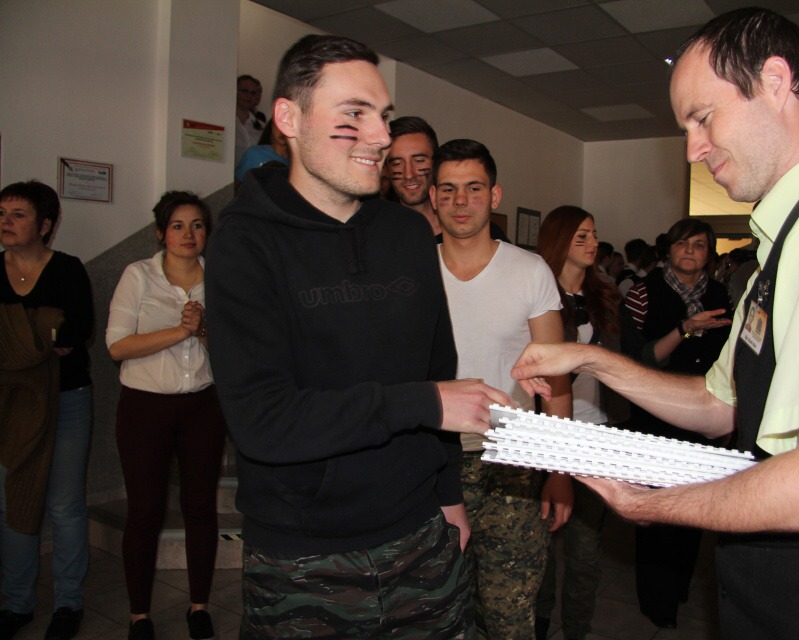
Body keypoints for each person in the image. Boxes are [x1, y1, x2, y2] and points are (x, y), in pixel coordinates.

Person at [510, 7, 799, 639]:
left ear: (774, 81)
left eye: (703, 117)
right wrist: (590, 359)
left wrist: (651, 502)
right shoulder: (787, 243)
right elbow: (720, 404)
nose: (693, 149)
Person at [204, 35, 511, 639]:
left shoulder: (407, 235)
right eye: (354, 115)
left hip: (422, 532)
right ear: (289, 119)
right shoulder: (244, 243)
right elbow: (262, 419)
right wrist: (423, 403)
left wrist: (448, 494)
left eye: (384, 116)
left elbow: (437, 369)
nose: (380, 136)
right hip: (303, 553)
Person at [432, 139, 573, 639]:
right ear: (433, 196)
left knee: (508, 614)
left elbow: (556, 379)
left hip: (510, 465)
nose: (460, 201)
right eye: (448, 189)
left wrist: (559, 471)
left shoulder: (529, 272)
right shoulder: (414, 271)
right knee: (439, 608)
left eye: (474, 188)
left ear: (494, 196)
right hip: (433, 459)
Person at [106, 191, 226, 640]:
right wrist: (180, 330)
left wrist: (203, 329)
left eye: (197, 225)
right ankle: (140, 614)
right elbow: (117, 346)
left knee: (200, 507)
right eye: (177, 225)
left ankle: (199, 606)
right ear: (160, 233)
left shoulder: (221, 278)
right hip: (145, 408)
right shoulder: (138, 275)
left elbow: (233, 353)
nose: (188, 234)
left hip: (203, 406)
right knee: (145, 511)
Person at [621, 218, 731, 629]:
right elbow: (638, 359)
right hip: (656, 415)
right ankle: (657, 602)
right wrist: (686, 329)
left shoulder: (720, 294)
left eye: (699, 245)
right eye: (683, 244)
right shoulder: (642, 292)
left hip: (704, 418)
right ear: (667, 250)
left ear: (709, 254)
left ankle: (680, 584)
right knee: (656, 511)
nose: (690, 251)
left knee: (695, 508)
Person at [0, 181, 93, 640]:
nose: (6, 222)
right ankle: (16, 604)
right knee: (14, 502)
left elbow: (77, 331)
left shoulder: (68, 269)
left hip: (67, 398)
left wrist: (17, 335)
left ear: (45, 225)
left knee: (63, 504)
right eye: (2, 214)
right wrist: (41, 333)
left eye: (18, 214)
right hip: (10, 404)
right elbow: (52, 335)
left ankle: (67, 604)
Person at [532, 206, 623, 640]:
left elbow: (628, 360)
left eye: (594, 235)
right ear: (559, 240)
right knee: (541, 548)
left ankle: (576, 630)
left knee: (585, 551)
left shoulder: (605, 296)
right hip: (546, 436)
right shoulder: (539, 297)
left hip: (596, 434)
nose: (593, 243)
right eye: (581, 236)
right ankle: (539, 624)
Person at [386, 116, 508, 243]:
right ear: (386, 169)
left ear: (436, 164)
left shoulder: (488, 236)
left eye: (419, 161)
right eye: (397, 163)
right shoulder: (381, 235)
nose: (409, 174)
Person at [234, 118, 290, 190]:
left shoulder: (296, 162)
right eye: (279, 126)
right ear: (272, 128)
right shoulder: (254, 154)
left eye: (287, 126)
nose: (282, 132)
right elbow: (236, 187)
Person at [235, 75, 265, 165]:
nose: (249, 96)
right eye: (244, 91)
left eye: (253, 93)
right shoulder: (226, 122)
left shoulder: (262, 127)